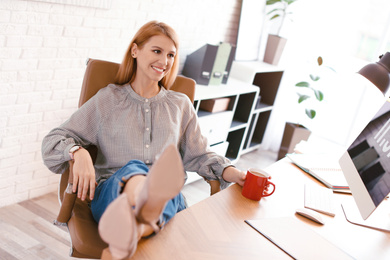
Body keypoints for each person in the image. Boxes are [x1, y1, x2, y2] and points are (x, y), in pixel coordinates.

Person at [41, 21, 246, 259]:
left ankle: (132, 234)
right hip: (113, 194)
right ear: (135, 51)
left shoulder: (180, 105)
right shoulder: (108, 99)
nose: (165, 61)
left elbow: (200, 155)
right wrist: (78, 152)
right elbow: (52, 141)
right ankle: (139, 227)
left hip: (167, 200)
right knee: (139, 170)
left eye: (171, 54)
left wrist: (234, 172)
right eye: (157, 51)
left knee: (164, 186)